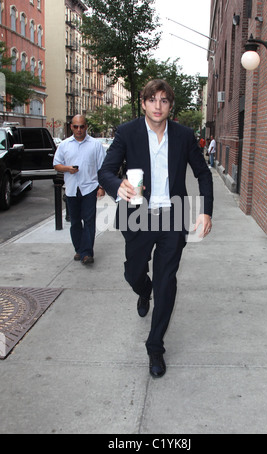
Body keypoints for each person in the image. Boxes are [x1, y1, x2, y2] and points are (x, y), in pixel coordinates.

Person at [98, 80, 213, 378]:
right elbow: (106, 171)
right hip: (138, 216)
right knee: (133, 272)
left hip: (172, 218)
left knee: (167, 281)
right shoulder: (127, 132)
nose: (158, 106)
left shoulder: (185, 135)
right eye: (152, 100)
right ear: (144, 102)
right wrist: (116, 186)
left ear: (170, 105)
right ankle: (142, 289)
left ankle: (155, 347)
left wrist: (205, 211)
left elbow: (202, 173)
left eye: (164, 100)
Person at [53, 115, 106, 265]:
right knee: (75, 222)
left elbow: (103, 168)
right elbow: (56, 164)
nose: (79, 129)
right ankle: (79, 249)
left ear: (86, 127)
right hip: (71, 189)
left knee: (89, 221)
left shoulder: (95, 145)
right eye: (76, 126)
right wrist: (67, 168)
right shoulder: (64, 145)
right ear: (71, 127)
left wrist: (101, 187)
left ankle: (87, 253)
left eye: (82, 126)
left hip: (89, 188)